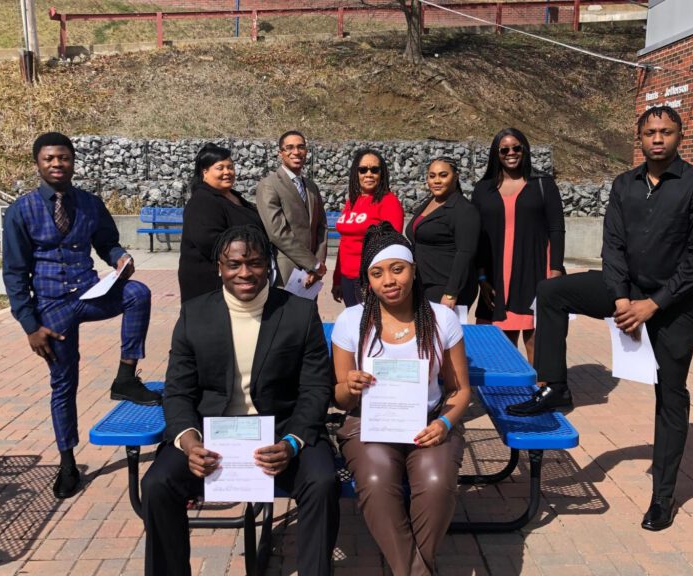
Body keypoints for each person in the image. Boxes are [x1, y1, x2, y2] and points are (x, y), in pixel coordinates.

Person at [507, 106, 693, 531]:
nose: (657, 139)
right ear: (638, 138)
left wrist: (652, 304)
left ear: (679, 136)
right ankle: (556, 386)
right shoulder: (625, 184)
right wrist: (622, 297)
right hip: (625, 291)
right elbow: (614, 243)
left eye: (665, 132)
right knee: (551, 292)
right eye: (649, 132)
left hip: (673, 305)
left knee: (671, 395)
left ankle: (662, 499)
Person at [141, 224, 339, 576]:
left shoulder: (298, 313)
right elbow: (178, 390)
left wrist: (292, 442)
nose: (244, 273)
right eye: (234, 264)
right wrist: (189, 442)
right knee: (157, 484)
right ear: (219, 266)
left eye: (255, 263)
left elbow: (315, 388)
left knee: (322, 481)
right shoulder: (195, 314)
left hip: (282, 432)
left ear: (269, 266)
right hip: (209, 436)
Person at [2, 132, 161, 500]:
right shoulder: (21, 210)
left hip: (90, 294)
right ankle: (68, 462)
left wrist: (119, 257)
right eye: (49, 159)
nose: (57, 164)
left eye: (64, 158)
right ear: (38, 164)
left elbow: (106, 242)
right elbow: (14, 273)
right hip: (51, 308)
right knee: (63, 384)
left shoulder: (90, 203)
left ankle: (125, 377)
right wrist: (30, 326)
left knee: (138, 293)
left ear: (73, 161)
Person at [332, 222, 471, 575]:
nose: (389, 281)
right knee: (377, 482)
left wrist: (444, 424)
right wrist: (350, 385)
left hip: (428, 424)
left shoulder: (441, 319)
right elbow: (340, 399)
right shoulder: (350, 321)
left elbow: (459, 390)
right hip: (369, 423)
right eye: (377, 273)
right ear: (367, 280)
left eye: (397, 269)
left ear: (413, 270)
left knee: (437, 483)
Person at [472, 128, 565, 363]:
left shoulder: (543, 184)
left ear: (525, 150)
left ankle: (539, 391)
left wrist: (555, 271)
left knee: (535, 337)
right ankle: (509, 394)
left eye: (517, 148)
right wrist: (481, 279)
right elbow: (477, 237)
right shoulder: (483, 189)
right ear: (496, 153)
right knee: (502, 338)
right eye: (504, 149)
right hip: (495, 275)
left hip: (534, 270)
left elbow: (556, 229)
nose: (511, 153)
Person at [178, 143, 264, 302]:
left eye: (230, 167)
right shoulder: (202, 201)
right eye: (220, 168)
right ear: (205, 172)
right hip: (211, 285)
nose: (227, 172)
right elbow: (210, 242)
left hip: (240, 279)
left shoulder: (233, 196)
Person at [331, 148, 404, 307]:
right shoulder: (353, 201)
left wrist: (377, 281)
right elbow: (345, 242)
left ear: (382, 173)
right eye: (363, 170)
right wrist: (337, 279)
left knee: (373, 328)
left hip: (370, 279)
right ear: (356, 173)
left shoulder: (388, 201)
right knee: (356, 326)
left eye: (374, 170)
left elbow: (391, 247)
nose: (368, 174)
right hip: (347, 278)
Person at [405, 157, 480, 310]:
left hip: (446, 288)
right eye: (432, 176)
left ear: (456, 176)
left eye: (443, 175)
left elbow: (465, 253)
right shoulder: (431, 201)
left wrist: (451, 293)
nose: (436, 181)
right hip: (424, 282)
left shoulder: (464, 210)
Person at [256, 130, 328, 288]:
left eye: (301, 147)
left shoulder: (311, 186)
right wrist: (312, 263)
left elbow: (321, 226)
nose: (296, 152)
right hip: (286, 271)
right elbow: (277, 233)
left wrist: (319, 263)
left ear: (306, 152)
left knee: (308, 312)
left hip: (313, 274)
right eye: (289, 147)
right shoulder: (269, 185)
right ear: (280, 153)